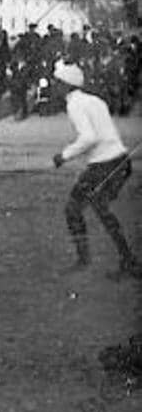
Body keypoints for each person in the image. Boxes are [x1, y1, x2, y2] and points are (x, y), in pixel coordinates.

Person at [50, 61, 139, 278]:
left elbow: (89, 137)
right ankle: (128, 261)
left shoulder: (74, 105)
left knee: (74, 209)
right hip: (121, 162)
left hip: (104, 164)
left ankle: (86, 260)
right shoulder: (94, 100)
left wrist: (64, 155)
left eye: (57, 82)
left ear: (65, 85)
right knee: (101, 209)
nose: (54, 86)